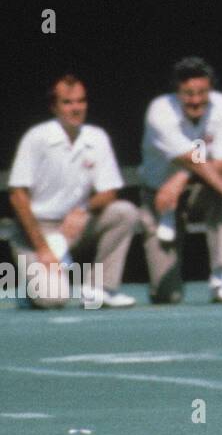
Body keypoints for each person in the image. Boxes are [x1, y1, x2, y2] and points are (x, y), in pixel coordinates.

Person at [6, 75, 141, 309]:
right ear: (54, 107)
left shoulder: (97, 137)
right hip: (34, 232)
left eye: (80, 101)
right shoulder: (36, 138)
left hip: (75, 227)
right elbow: (17, 195)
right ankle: (30, 291)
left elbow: (109, 191)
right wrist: (43, 248)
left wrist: (83, 209)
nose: (76, 108)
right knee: (53, 299)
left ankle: (100, 289)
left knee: (124, 212)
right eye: (68, 102)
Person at [138, 57, 222, 305]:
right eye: (188, 94)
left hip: (199, 189)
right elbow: (192, 160)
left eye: (202, 92)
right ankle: (165, 282)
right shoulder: (159, 111)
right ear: (177, 92)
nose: (195, 100)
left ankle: (220, 277)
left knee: (219, 189)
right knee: (167, 297)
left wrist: (180, 178)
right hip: (159, 198)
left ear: (211, 89)